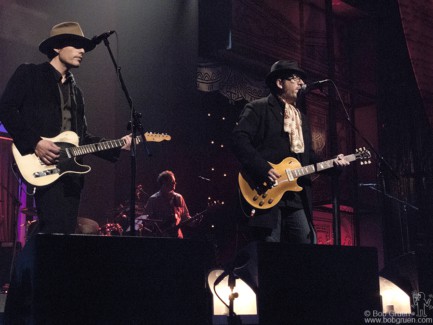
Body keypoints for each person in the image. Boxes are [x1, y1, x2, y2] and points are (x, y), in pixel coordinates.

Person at [0, 22, 132, 235]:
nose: (82, 51)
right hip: (42, 164)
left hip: (71, 175)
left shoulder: (76, 93)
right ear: (57, 48)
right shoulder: (30, 74)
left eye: (84, 48)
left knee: (66, 236)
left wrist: (120, 145)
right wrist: (35, 142)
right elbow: (5, 109)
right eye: (76, 45)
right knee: (54, 233)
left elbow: (82, 138)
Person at [231, 60, 350, 244]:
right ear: (280, 83)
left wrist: (334, 164)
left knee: (306, 248)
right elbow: (239, 139)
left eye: (302, 80)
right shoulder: (258, 108)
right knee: (270, 252)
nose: (302, 84)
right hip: (266, 194)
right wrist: (262, 168)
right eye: (296, 79)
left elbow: (308, 158)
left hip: (296, 198)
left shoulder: (301, 119)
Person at [143, 170, 191, 239]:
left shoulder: (179, 198)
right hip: (161, 239)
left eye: (174, 181)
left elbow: (185, 217)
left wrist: (193, 222)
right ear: (163, 183)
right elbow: (146, 219)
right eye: (172, 182)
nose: (174, 183)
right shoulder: (153, 199)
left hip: (178, 238)